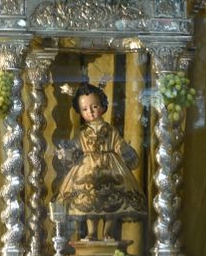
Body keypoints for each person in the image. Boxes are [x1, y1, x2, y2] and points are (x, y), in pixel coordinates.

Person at [56, 83, 144, 238]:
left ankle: (107, 232)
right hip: (87, 169)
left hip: (110, 166)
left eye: (94, 106)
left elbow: (119, 144)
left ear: (103, 106)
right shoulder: (82, 132)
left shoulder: (110, 130)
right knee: (90, 200)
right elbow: (76, 147)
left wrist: (124, 151)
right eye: (84, 109)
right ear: (80, 112)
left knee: (112, 199)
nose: (90, 112)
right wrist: (66, 152)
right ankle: (92, 232)